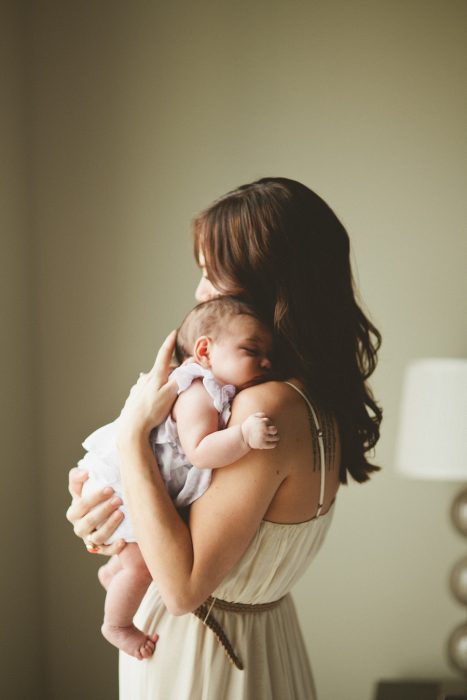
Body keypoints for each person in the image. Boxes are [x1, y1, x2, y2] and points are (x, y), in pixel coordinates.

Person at [67, 177, 382, 699]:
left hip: (201, 659)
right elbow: (188, 522)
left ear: (265, 284)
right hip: (266, 642)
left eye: (211, 275)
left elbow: (182, 587)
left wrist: (130, 436)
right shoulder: (316, 399)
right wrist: (105, 511)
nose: (199, 293)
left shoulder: (266, 407)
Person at [78, 296, 279, 660]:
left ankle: (112, 572)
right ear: (205, 349)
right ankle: (117, 625)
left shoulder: (214, 388)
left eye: (268, 354)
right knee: (141, 568)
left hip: (130, 477)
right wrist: (244, 437)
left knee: (134, 557)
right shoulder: (200, 392)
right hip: (125, 484)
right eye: (252, 349)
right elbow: (200, 450)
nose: (266, 361)